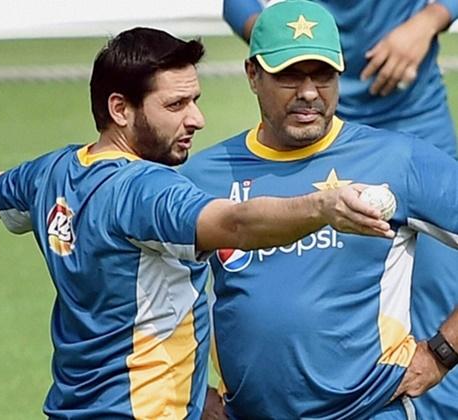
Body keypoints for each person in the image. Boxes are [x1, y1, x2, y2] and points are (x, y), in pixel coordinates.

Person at [0, 27, 393, 419]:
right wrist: (322, 207)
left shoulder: (54, 174)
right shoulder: (147, 191)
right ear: (121, 109)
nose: (197, 119)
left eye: (194, 100)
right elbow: (236, 222)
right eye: (176, 105)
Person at [181, 1, 458, 418]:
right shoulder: (204, 177)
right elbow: (151, 295)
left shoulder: (401, 161)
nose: (309, 92)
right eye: (290, 75)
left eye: (323, 74)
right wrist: (193, 394)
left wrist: (441, 353)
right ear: (253, 75)